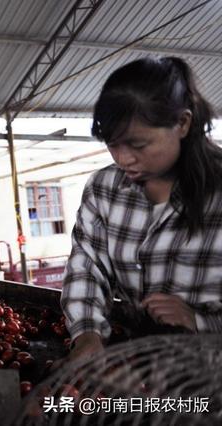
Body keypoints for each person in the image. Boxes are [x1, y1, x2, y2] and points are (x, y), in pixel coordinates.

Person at [60, 57, 222, 364]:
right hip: (144, 374)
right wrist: (87, 334)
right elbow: (87, 268)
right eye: (112, 144)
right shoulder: (105, 188)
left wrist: (200, 321)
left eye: (138, 145)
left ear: (183, 123)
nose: (124, 159)